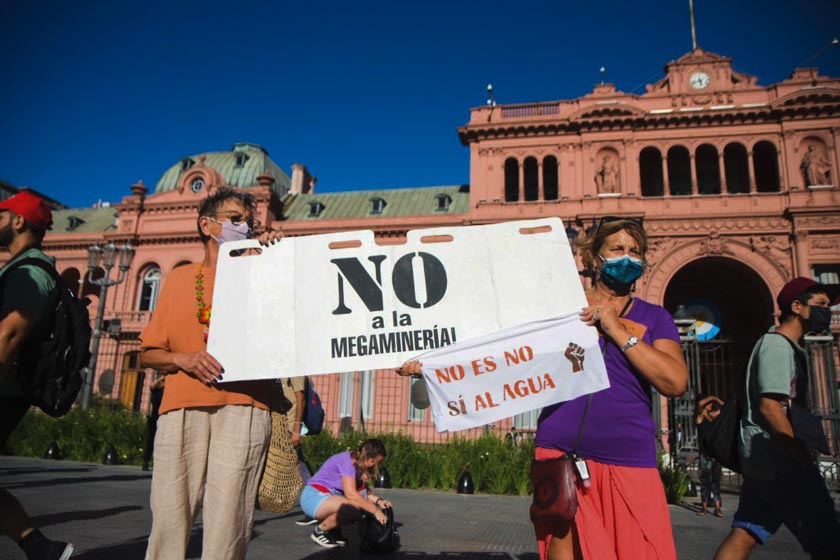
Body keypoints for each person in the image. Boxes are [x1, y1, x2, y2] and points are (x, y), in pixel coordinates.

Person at [398, 216, 688, 560]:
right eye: (617, 249)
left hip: (630, 456)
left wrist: (617, 329)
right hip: (560, 452)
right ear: (594, 258)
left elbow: (674, 381)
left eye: (635, 251)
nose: (627, 257)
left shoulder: (655, 317)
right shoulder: (562, 308)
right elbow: (498, 353)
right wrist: (430, 363)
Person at [140, 186, 281, 560]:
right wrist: (184, 359)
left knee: (229, 522)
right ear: (206, 225)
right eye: (234, 219)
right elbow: (149, 353)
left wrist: (277, 259)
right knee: (169, 515)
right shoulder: (178, 279)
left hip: (245, 406)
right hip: (181, 408)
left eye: (248, 222)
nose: (243, 227)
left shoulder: (263, 272)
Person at [714, 278, 840, 559]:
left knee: (745, 533)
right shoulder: (777, 346)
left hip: (765, 459)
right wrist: (800, 456)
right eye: (820, 304)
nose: (826, 311)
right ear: (796, 306)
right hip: (780, 460)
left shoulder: (784, 345)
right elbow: (770, 407)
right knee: (829, 540)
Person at [0, 191, 75, 560]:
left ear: (18, 221)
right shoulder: (21, 269)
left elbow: (7, 336)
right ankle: (40, 547)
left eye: (1, 215)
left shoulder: (30, 272)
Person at [300, 438, 391, 548]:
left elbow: (362, 492)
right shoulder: (348, 462)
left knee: (360, 507)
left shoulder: (358, 464)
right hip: (313, 497)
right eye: (374, 462)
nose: (375, 466)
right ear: (366, 456)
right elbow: (351, 494)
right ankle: (320, 531)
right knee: (353, 508)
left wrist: (379, 501)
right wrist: (376, 511)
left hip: (326, 498)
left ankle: (331, 530)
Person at [695, 395, 724, 517]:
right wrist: (711, 397)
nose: (711, 404)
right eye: (709, 403)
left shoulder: (715, 416)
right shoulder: (700, 417)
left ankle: (717, 508)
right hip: (705, 454)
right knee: (705, 481)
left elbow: (726, 408)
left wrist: (717, 399)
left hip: (715, 454)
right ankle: (704, 507)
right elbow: (699, 405)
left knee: (716, 482)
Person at [141, 372, 165, 471]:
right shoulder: (156, 390)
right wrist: (161, 378)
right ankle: (146, 460)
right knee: (151, 439)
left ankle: (158, 462)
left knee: (161, 441)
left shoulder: (165, 391)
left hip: (163, 417)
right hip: (155, 417)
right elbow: (152, 385)